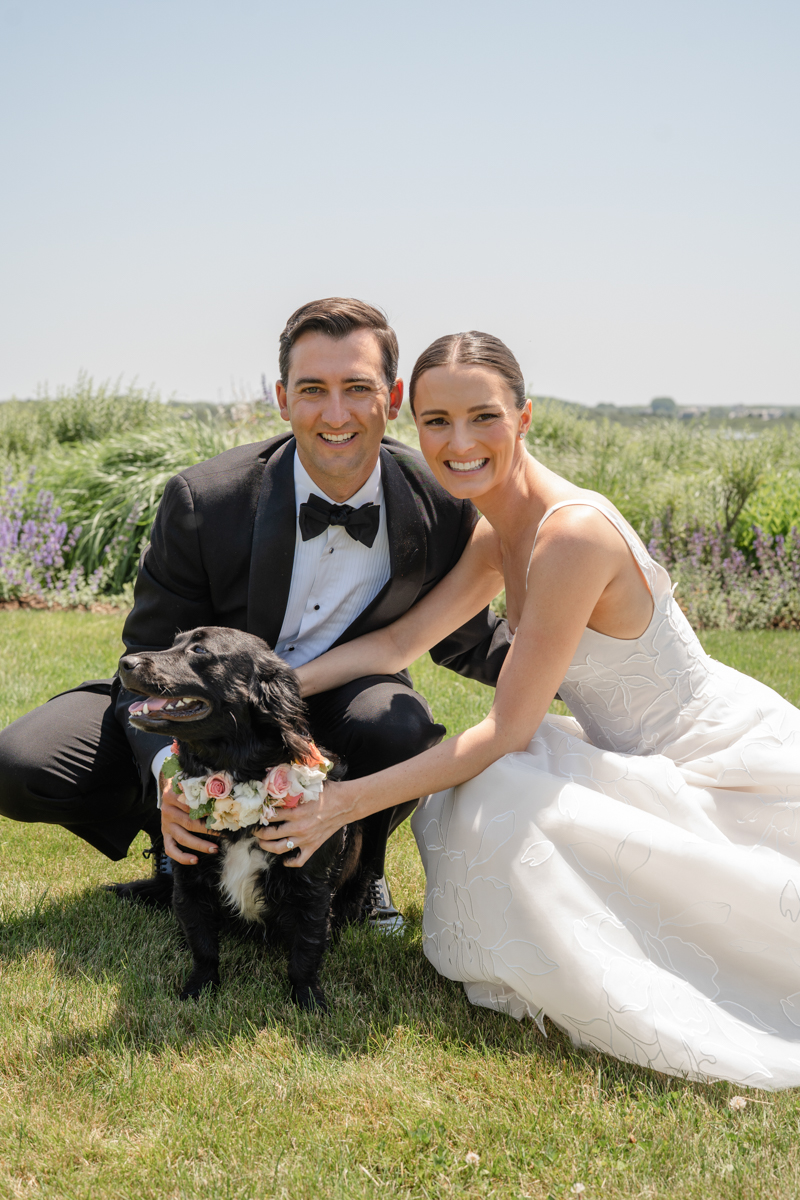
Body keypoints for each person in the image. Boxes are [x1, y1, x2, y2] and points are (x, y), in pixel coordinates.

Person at [260, 330, 800, 1089]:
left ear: (525, 416)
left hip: (705, 755)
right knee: (486, 786)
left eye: (483, 416)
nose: (459, 442)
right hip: (627, 748)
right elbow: (399, 644)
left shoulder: (570, 535)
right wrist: (275, 685)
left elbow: (507, 728)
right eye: (437, 421)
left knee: (496, 780)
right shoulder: (498, 530)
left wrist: (339, 804)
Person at [0, 301, 510, 929]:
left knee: (398, 726)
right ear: (281, 397)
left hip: (339, 707)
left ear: (393, 395)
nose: (336, 413)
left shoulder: (442, 501)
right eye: (313, 389)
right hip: (206, 705)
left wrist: (574, 669)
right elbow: (150, 653)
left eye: (357, 388)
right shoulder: (205, 500)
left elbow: (462, 636)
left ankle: (359, 871)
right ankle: (181, 850)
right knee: (19, 764)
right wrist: (167, 774)